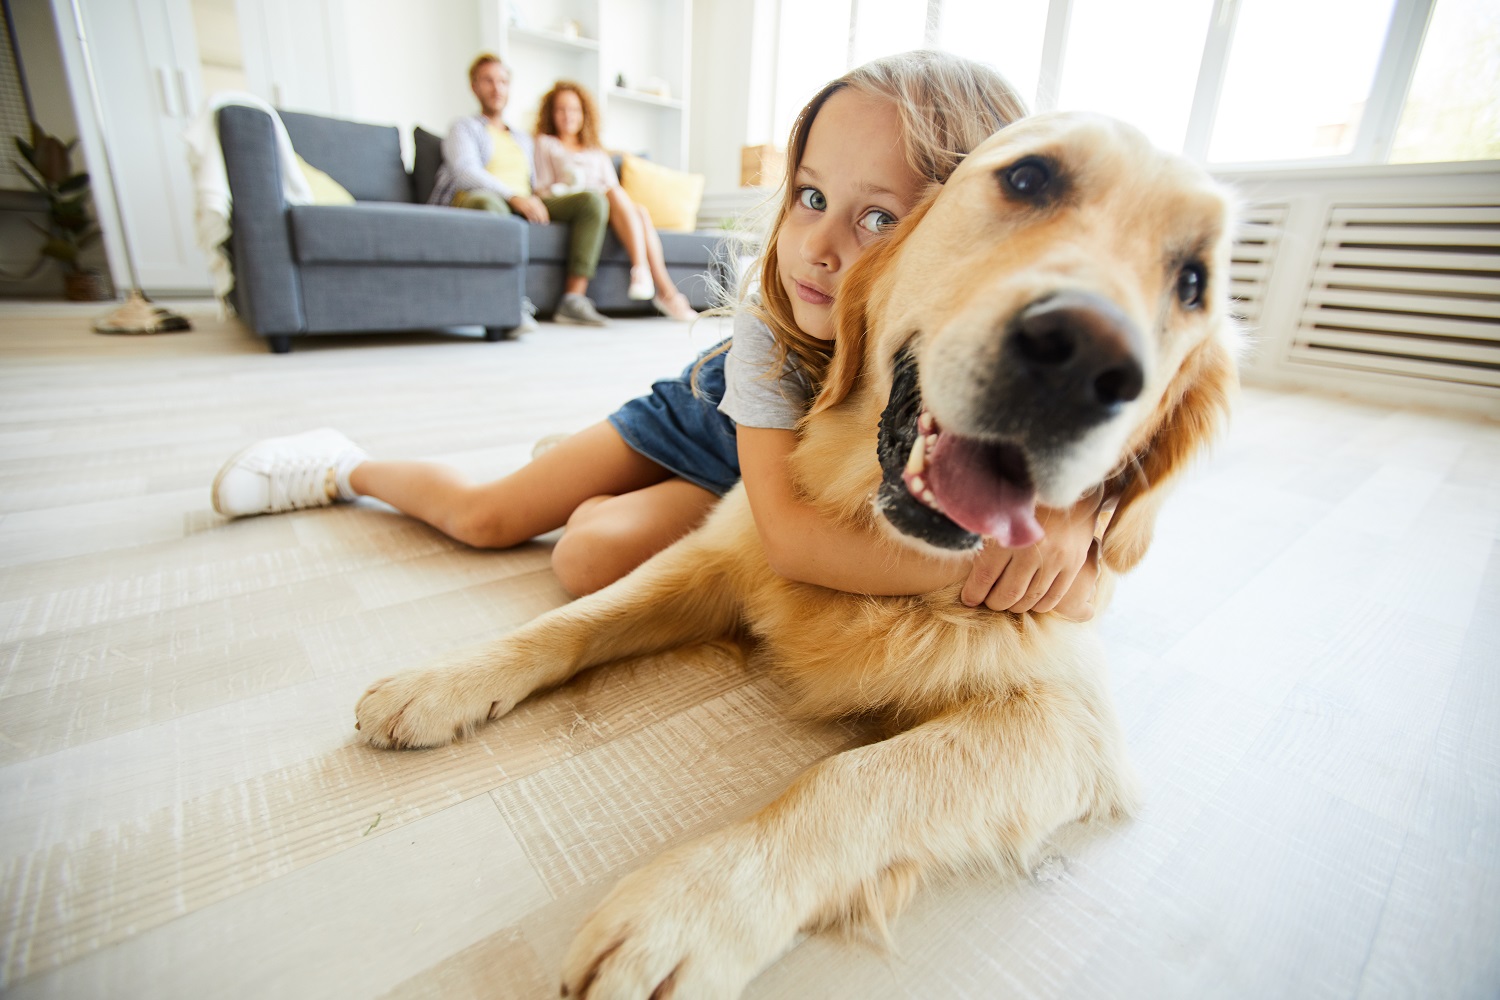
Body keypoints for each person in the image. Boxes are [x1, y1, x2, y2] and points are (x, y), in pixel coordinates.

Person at [212, 50, 1103, 619]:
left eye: (878, 220)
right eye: (812, 198)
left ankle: (589, 478)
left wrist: (1077, 520)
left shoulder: (980, 340)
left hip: (755, 494)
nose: (820, 247)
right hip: (704, 429)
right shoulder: (770, 333)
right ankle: (340, 463)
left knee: (590, 549)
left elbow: (1105, 439)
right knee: (491, 520)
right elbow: (791, 545)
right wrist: (990, 563)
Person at [429, 54, 610, 327]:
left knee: (592, 202)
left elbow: (537, 182)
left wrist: (538, 198)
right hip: (481, 199)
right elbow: (465, 173)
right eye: (488, 81)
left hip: (523, 200)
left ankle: (573, 300)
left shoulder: (523, 139)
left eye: (502, 81)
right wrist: (513, 197)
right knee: (491, 205)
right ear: (474, 86)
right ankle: (508, 302)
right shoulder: (463, 127)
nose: (496, 88)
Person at [533, 81, 699, 323]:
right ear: (551, 113)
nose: (568, 115)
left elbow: (614, 188)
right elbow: (542, 188)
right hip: (576, 204)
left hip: (606, 207)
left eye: (574, 109)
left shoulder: (596, 152)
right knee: (616, 200)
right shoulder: (546, 144)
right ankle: (657, 285)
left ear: (584, 114)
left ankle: (662, 288)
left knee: (639, 211)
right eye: (561, 109)